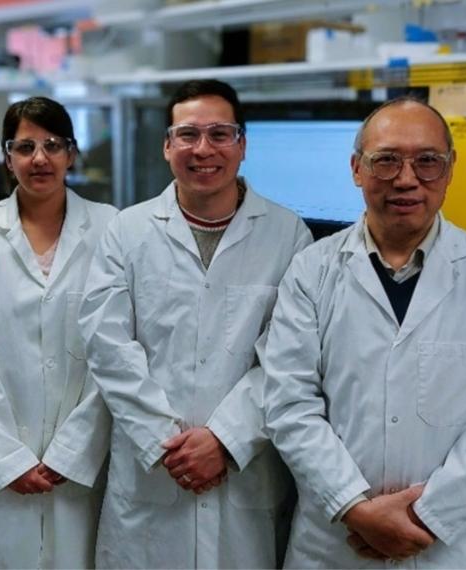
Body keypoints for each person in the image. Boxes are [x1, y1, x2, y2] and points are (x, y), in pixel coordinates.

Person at [259, 97, 466, 568]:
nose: (407, 179)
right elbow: (289, 403)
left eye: (427, 161)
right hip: (338, 542)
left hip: (449, 545)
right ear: (356, 168)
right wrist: (355, 508)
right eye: (386, 160)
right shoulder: (311, 271)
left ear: (451, 170)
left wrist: (426, 516)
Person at [79, 79, 312, 568]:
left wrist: (226, 439)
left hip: (243, 471)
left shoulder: (288, 234)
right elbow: (107, 346)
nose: (203, 149)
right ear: (167, 146)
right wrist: (167, 443)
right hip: (153, 470)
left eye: (220, 134)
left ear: (243, 145)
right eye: (187, 135)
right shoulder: (128, 231)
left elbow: (289, 356)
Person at [0, 96, 117, 569]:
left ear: (71, 154)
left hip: (81, 460)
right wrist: (5, 456)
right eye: (25, 147)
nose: (39, 158)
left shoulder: (112, 228)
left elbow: (119, 352)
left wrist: (73, 450)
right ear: (7, 157)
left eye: (52, 145)